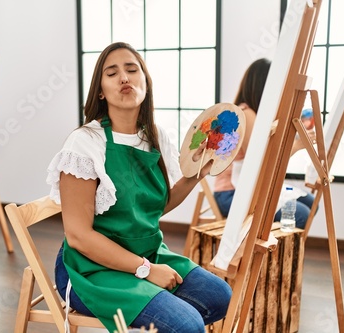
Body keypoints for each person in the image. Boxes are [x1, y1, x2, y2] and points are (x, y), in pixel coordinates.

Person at [47, 42, 232, 333]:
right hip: (91, 268)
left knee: (220, 297)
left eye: (132, 70)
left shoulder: (155, 136)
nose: (124, 77)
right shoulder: (85, 143)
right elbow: (79, 236)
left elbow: (158, 204)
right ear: (100, 90)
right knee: (187, 325)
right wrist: (145, 270)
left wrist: (198, 173)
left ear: (145, 81)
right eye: (112, 73)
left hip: (146, 252)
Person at [213, 58, 317, 229]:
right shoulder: (246, 113)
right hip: (231, 193)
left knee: (311, 203)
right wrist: (296, 146)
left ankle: (275, 253)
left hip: (246, 189)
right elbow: (261, 162)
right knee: (301, 214)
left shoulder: (254, 113)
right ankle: (271, 255)